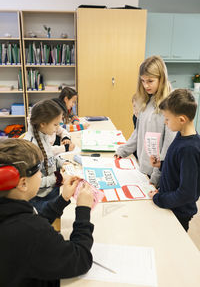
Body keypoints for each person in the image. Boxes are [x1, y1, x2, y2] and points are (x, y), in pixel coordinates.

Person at [0, 138, 94, 287]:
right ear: (23, 183)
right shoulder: (31, 232)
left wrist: (62, 199)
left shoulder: (11, 213)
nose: (41, 176)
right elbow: (80, 258)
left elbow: (34, 220)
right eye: (39, 171)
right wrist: (83, 210)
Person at [115, 56, 176, 185]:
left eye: (150, 81)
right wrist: (123, 150)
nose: (145, 85)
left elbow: (168, 145)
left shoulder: (171, 104)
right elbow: (138, 131)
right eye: (142, 81)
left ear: (162, 79)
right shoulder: (148, 100)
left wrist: (157, 175)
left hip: (158, 174)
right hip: (143, 168)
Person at [148, 89, 200, 232]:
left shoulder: (189, 149)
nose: (165, 122)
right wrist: (161, 165)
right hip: (169, 206)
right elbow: (178, 168)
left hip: (177, 213)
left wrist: (159, 199)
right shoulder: (181, 135)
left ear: (182, 119)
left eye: (167, 119)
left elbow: (187, 193)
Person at [24, 99, 68, 212]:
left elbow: (50, 158)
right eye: (55, 124)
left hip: (50, 189)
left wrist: (61, 162)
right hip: (40, 199)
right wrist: (57, 178)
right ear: (43, 124)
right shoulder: (31, 147)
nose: (58, 128)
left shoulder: (43, 134)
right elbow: (33, 183)